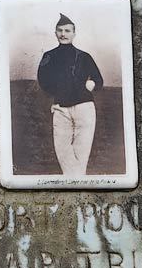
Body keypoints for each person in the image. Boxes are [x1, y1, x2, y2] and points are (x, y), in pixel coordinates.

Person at [37, 13, 103, 176]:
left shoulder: (84, 56)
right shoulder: (49, 56)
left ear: (74, 34)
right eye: (60, 30)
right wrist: (60, 91)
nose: (63, 34)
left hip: (84, 108)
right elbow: (43, 80)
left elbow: (99, 80)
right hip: (60, 108)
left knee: (82, 151)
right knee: (62, 149)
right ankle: (78, 180)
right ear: (55, 33)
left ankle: (75, 181)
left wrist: (91, 84)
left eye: (67, 31)